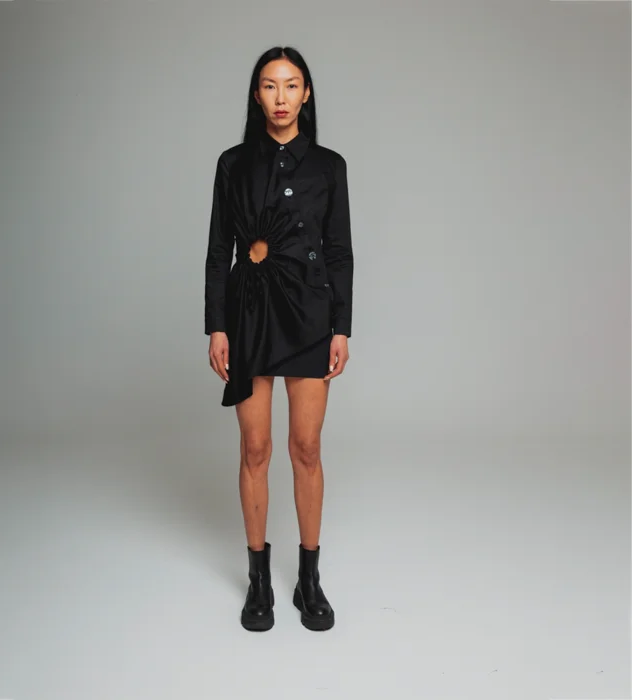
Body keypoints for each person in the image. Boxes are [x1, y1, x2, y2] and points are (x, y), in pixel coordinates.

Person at [204, 46, 354, 632]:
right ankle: (259, 579)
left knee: (307, 448)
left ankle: (309, 579)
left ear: (306, 93)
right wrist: (217, 325)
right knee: (256, 447)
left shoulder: (330, 166)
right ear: (257, 94)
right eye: (270, 86)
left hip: (311, 315)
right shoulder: (232, 163)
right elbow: (219, 250)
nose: (281, 97)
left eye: (291, 85)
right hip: (249, 314)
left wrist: (342, 327)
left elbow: (339, 251)